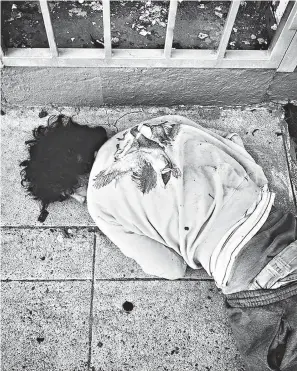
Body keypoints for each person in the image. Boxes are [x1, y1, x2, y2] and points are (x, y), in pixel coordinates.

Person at [20, 114, 297, 371]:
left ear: (74, 181)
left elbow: (171, 269)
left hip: (255, 276)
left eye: (73, 193)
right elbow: (234, 152)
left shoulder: (98, 200)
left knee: (269, 357)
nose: (80, 199)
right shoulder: (164, 123)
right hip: (283, 225)